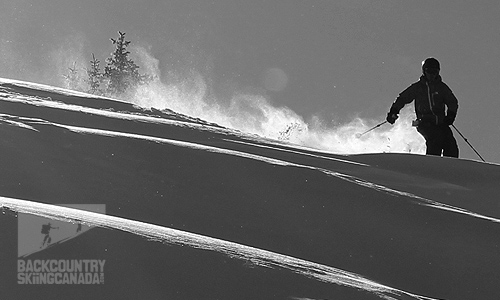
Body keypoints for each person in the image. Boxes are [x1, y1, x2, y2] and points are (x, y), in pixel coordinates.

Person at [386, 57, 459, 158]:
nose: (432, 75)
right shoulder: (418, 87)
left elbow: (452, 102)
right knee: (435, 139)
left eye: (435, 72)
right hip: (425, 122)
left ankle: (451, 168)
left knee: (450, 144)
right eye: (429, 71)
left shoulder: (441, 87)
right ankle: (432, 166)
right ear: (424, 71)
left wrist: (451, 115)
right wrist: (393, 112)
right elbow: (402, 98)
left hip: (441, 122)